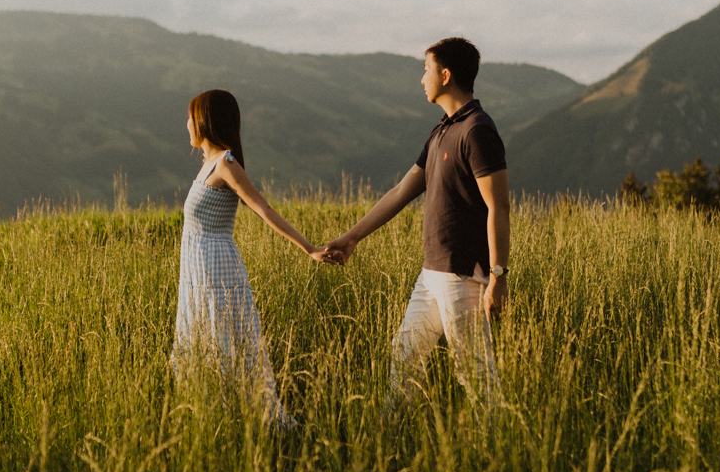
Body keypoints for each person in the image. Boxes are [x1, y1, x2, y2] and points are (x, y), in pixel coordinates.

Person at [325, 37, 509, 410]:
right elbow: (399, 192)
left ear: (446, 74)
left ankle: (500, 451)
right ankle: (391, 440)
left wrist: (498, 276)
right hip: (431, 273)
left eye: (425, 69)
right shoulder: (442, 130)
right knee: (404, 357)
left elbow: (499, 207)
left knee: (475, 375)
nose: (420, 78)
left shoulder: (477, 130)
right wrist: (351, 237)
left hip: (464, 275)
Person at [173, 88, 330, 429]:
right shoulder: (207, 164)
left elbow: (263, 209)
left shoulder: (226, 163)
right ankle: (214, 416)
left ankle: (247, 420)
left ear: (204, 121)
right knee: (206, 339)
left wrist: (309, 248)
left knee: (225, 341)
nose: (186, 123)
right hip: (198, 270)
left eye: (191, 116)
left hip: (217, 269)